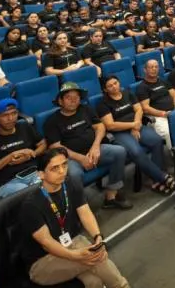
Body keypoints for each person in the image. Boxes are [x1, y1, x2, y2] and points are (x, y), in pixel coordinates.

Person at [20, 148, 157, 288]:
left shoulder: (69, 184)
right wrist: (75, 255)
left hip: (71, 242)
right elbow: (46, 242)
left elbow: (85, 212)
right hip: (41, 263)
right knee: (97, 258)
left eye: (64, 165)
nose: (62, 171)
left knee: (94, 282)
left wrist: (98, 237)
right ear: (41, 174)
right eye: (54, 168)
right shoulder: (31, 205)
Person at [42, 82, 132, 210]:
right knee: (73, 174)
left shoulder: (85, 109)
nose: (73, 100)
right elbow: (56, 147)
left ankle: (111, 196)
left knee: (119, 151)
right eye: (68, 97)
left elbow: (100, 126)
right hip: (70, 158)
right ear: (60, 101)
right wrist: (81, 158)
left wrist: (95, 147)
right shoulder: (51, 121)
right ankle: (80, 208)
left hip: (93, 150)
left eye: (76, 96)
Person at [97, 76, 175, 195]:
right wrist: (132, 125)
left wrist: (136, 125)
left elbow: (139, 110)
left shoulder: (128, 93)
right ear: (105, 90)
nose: (114, 87)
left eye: (115, 83)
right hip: (120, 133)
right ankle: (162, 177)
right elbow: (110, 125)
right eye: (110, 86)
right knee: (136, 152)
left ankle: (155, 179)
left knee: (157, 141)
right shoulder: (102, 103)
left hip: (136, 126)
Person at [0, 98, 46, 200]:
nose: (11, 118)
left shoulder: (24, 127)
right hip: (8, 184)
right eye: (5, 115)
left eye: (14, 113)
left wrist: (32, 154)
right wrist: (9, 157)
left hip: (34, 174)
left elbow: (43, 144)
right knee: (32, 194)